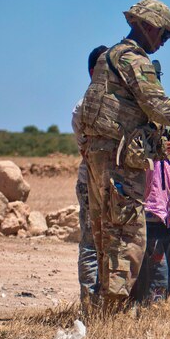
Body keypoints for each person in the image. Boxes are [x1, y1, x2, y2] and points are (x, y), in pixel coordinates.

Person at [75, 0, 170, 308]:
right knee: (127, 236)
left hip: (101, 157)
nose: (164, 43)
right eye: (163, 35)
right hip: (120, 162)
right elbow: (158, 105)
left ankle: (101, 306)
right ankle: (114, 308)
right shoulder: (134, 60)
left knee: (104, 232)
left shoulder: (108, 58)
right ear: (148, 27)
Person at [70, 44, 107, 302]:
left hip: (111, 184)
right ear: (95, 71)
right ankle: (90, 302)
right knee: (91, 243)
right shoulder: (84, 107)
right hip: (92, 183)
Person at [132, 132, 170, 303]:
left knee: (167, 266)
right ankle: (151, 303)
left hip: (169, 224)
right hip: (149, 221)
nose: (168, 143)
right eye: (163, 140)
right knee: (154, 266)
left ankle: (159, 301)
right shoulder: (148, 165)